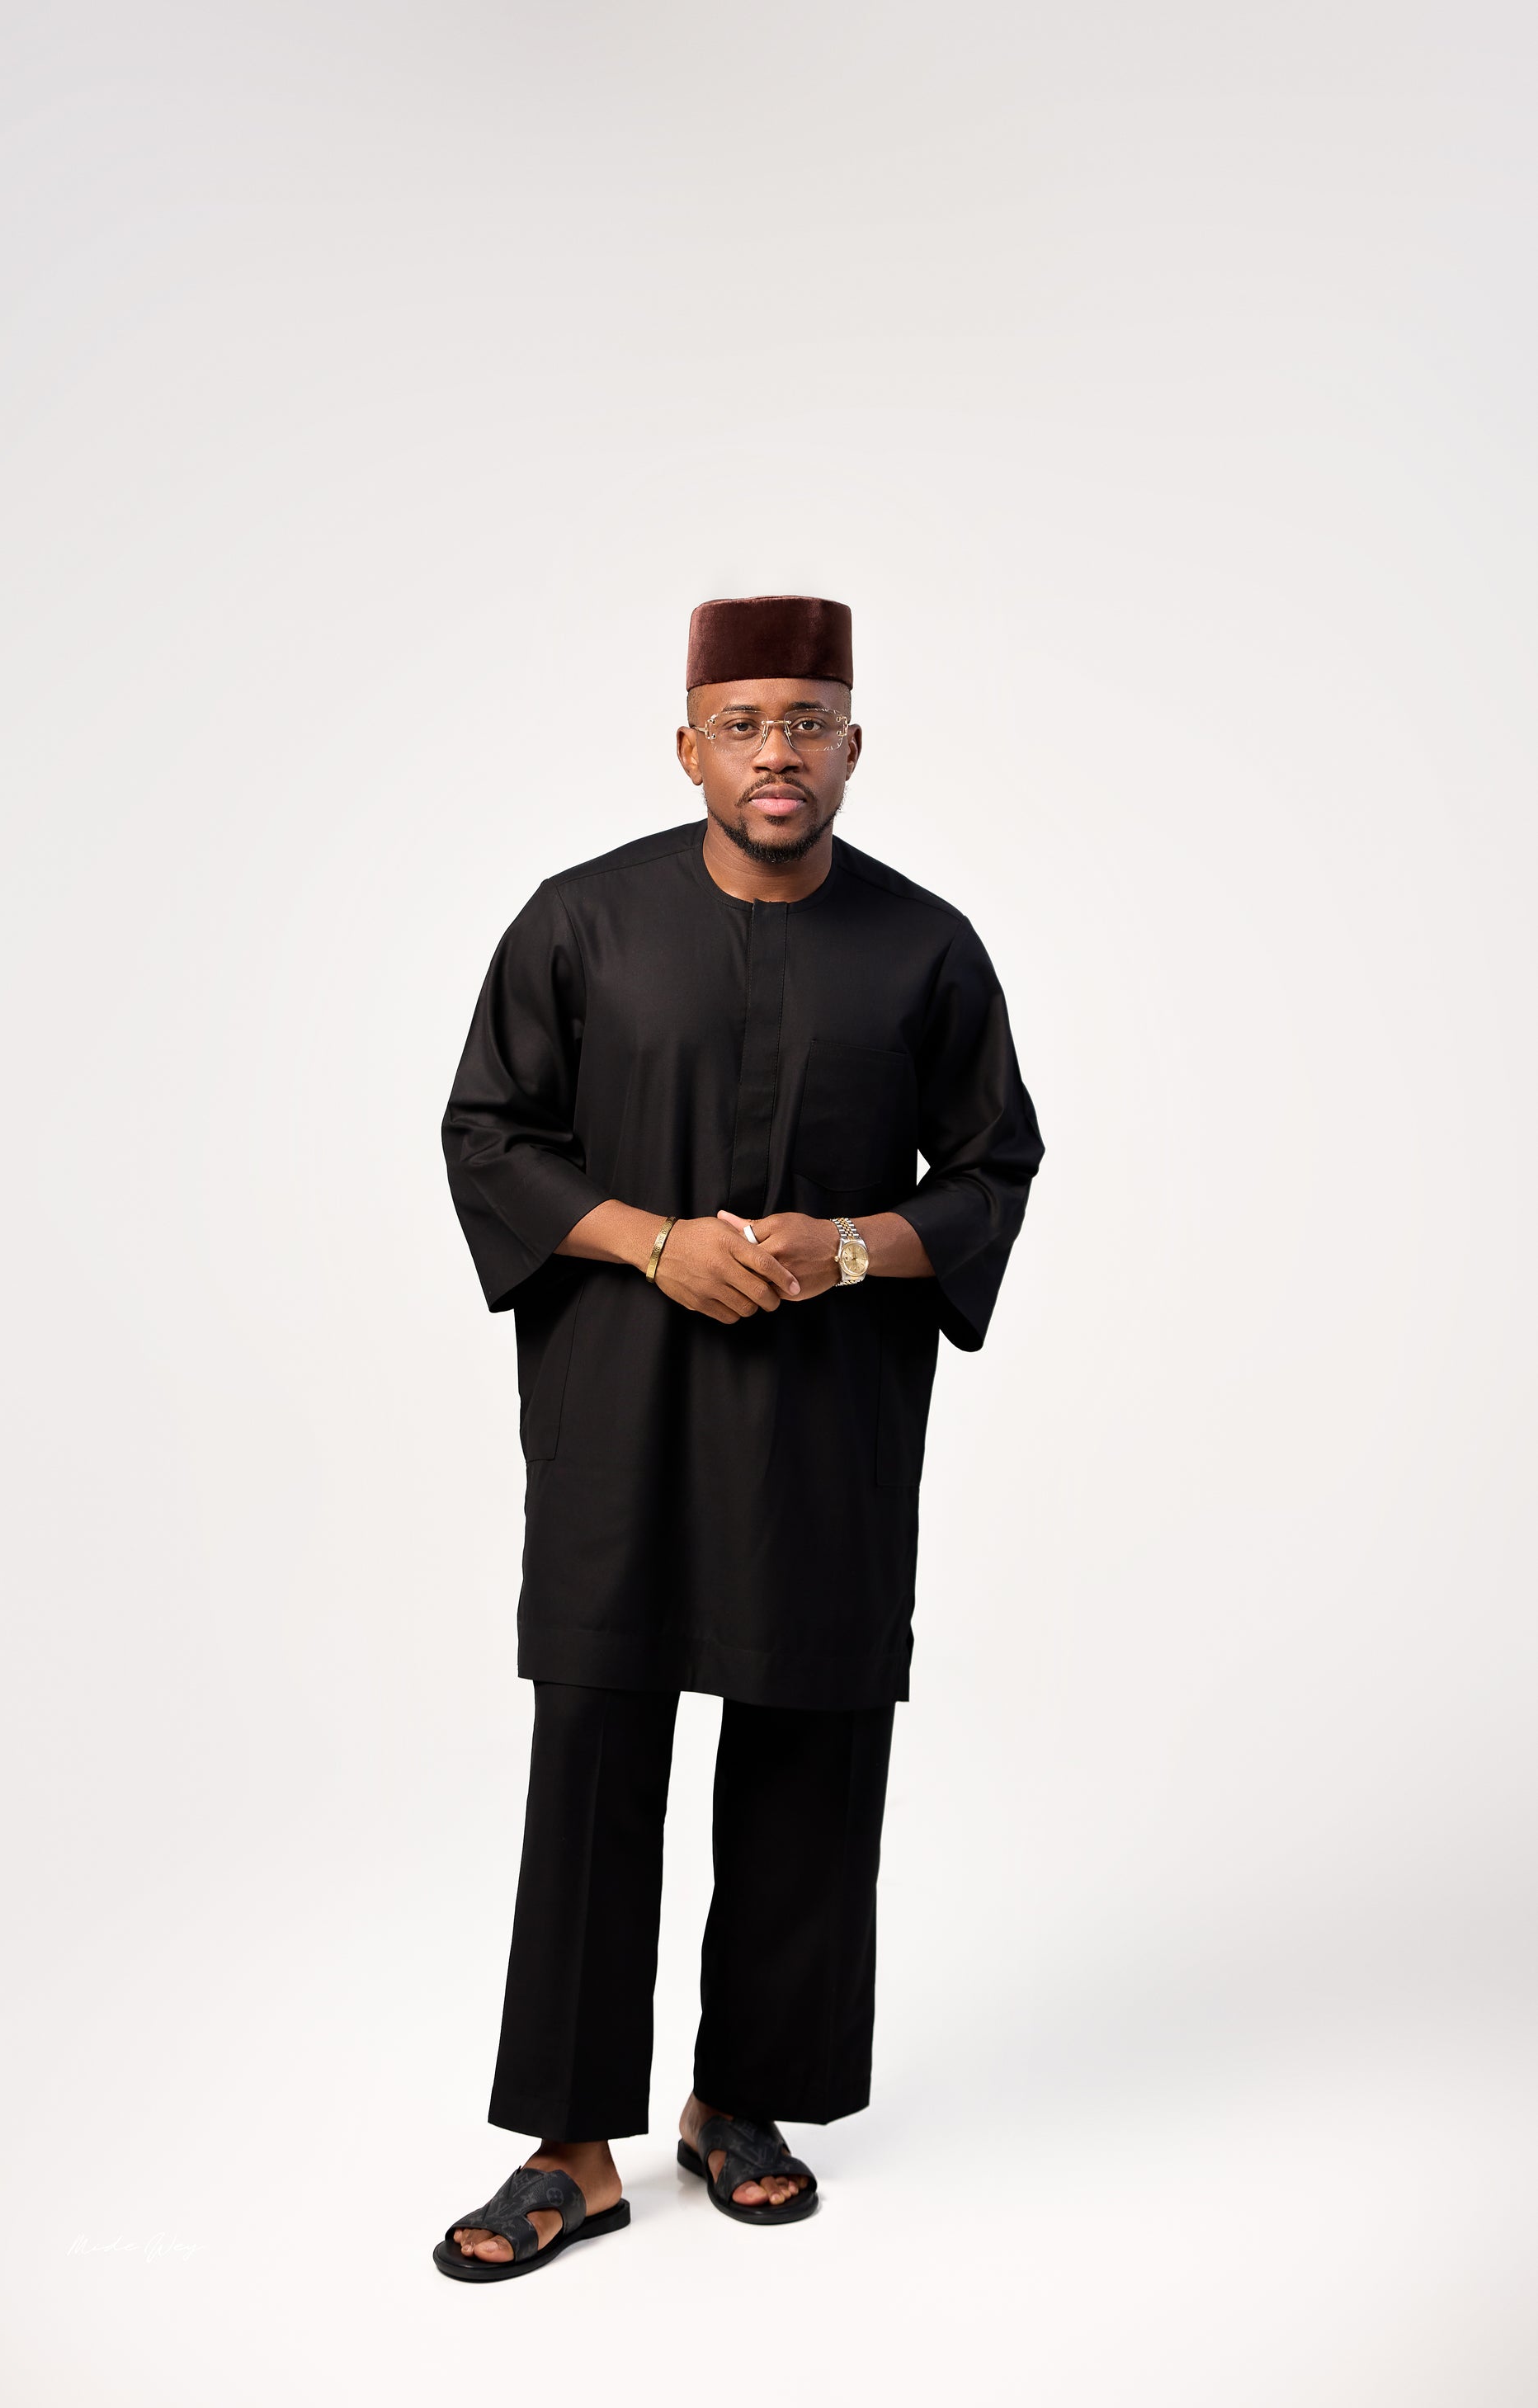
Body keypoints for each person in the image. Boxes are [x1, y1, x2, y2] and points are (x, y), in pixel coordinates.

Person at [432, 593, 1044, 2280]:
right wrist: (651, 1241)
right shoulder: (580, 921)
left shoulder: (924, 947)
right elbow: (489, 1135)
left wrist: (847, 1245)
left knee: (807, 1743)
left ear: (852, 745)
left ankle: (742, 2100)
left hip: (826, 1416)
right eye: (746, 722)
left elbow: (991, 1170)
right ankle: (571, 2147)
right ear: (689, 746)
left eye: (809, 720)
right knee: (595, 1752)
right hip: (620, 1409)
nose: (779, 751)